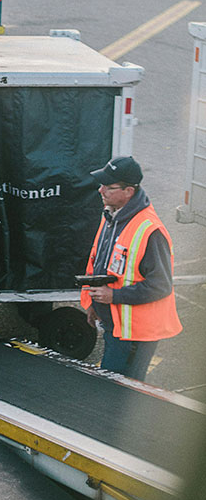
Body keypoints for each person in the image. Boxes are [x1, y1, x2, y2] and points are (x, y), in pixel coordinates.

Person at [80, 156, 181, 381]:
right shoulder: (111, 215)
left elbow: (161, 286)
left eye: (109, 186)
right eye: (101, 184)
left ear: (129, 191)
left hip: (135, 334)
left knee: (122, 393)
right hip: (116, 327)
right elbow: (102, 264)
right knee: (112, 389)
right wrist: (95, 304)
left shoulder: (150, 230)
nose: (101, 190)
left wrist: (113, 296)